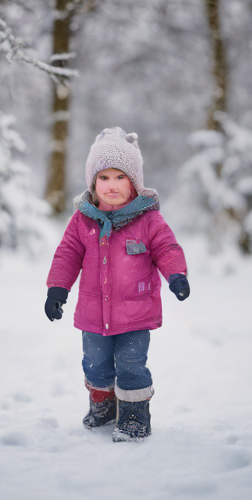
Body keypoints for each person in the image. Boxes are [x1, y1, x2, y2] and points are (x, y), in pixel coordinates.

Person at [44, 127, 189, 442]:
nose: (111, 185)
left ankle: (135, 417)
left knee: (131, 364)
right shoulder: (83, 220)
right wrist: (57, 289)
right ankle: (104, 406)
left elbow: (168, 249)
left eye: (120, 177)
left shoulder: (148, 220)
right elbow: (66, 255)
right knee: (95, 364)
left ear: (135, 183)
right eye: (104, 178)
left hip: (135, 314)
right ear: (93, 183)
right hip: (93, 316)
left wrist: (177, 275)